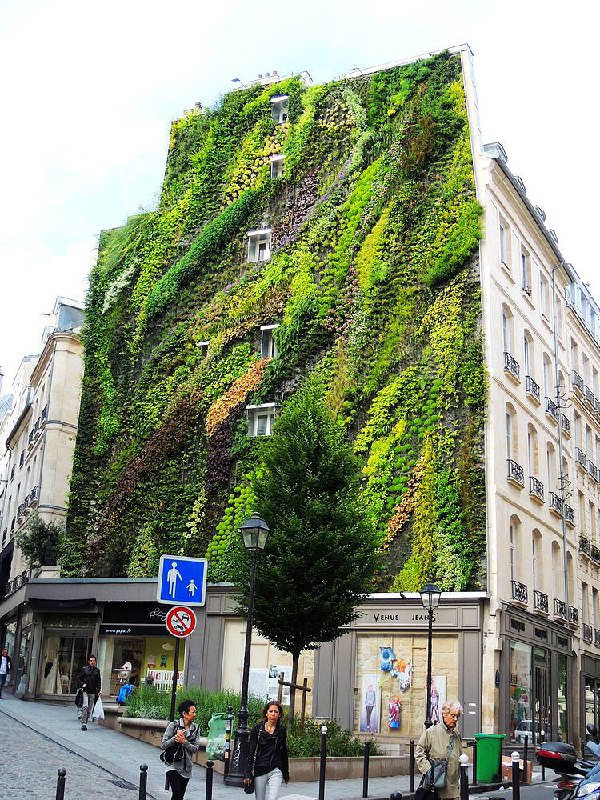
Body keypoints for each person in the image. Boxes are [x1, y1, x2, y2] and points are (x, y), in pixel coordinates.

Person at [415, 701, 463, 800]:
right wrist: (428, 770)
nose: (455, 719)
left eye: (457, 716)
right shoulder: (431, 732)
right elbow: (419, 752)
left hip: (453, 789)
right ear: (444, 714)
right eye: (453, 715)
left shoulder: (457, 735)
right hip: (436, 788)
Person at [244, 701, 290, 800]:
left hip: (275, 769)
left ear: (280, 714)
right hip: (260, 769)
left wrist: (286, 773)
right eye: (271, 711)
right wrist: (247, 773)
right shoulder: (257, 729)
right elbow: (250, 752)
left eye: (276, 712)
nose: (273, 714)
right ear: (266, 713)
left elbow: (283, 752)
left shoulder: (281, 730)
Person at [161, 699, 200, 800]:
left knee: (179, 796)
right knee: (177, 793)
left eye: (195, 712)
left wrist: (184, 742)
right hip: (172, 765)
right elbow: (164, 744)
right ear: (184, 713)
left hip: (187, 768)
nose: (195, 714)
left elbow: (195, 748)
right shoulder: (173, 725)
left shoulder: (196, 728)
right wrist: (175, 738)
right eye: (193, 712)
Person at [76, 654, 101, 731]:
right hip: (86, 691)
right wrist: (82, 684)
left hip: (93, 692)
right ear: (88, 661)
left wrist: (99, 689)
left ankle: (85, 721)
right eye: (91, 661)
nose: (92, 662)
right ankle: (83, 723)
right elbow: (78, 678)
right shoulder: (85, 669)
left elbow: (98, 681)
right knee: (85, 706)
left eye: (93, 661)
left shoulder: (97, 670)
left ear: (95, 661)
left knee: (89, 709)